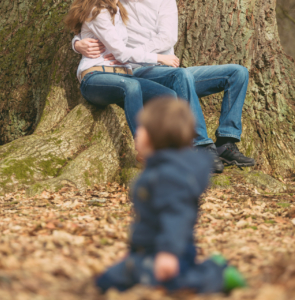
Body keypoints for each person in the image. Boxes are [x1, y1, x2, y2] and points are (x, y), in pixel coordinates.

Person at [72, 0, 255, 173]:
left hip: (166, 68)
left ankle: (226, 142)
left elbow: (167, 38)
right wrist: (77, 44)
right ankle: (200, 145)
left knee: (237, 73)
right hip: (139, 69)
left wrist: (133, 52)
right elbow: (92, 21)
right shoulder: (117, 4)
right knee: (180, 75)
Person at [95, 97, 246, 293]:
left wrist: (168, 253)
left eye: (141, 128)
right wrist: (134, 250)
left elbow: (177, 215)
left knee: (174, 285)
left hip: (172, 251)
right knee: (106, 282)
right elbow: (147, 220)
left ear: (154, 136)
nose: (136, 133)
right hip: (147, 252)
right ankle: (142, 268)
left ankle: (216, 273)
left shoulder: (169, 176)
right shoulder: (156, 170)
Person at [64, 0, 179, 140]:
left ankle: (167, 145)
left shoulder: (118, 9)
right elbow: (121, 53)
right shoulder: (97, 12)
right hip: (96, 77)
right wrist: (158, 58)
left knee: (168, 95)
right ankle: (143, 146)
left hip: (123, 77)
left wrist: (75, 43)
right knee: (131, 86)